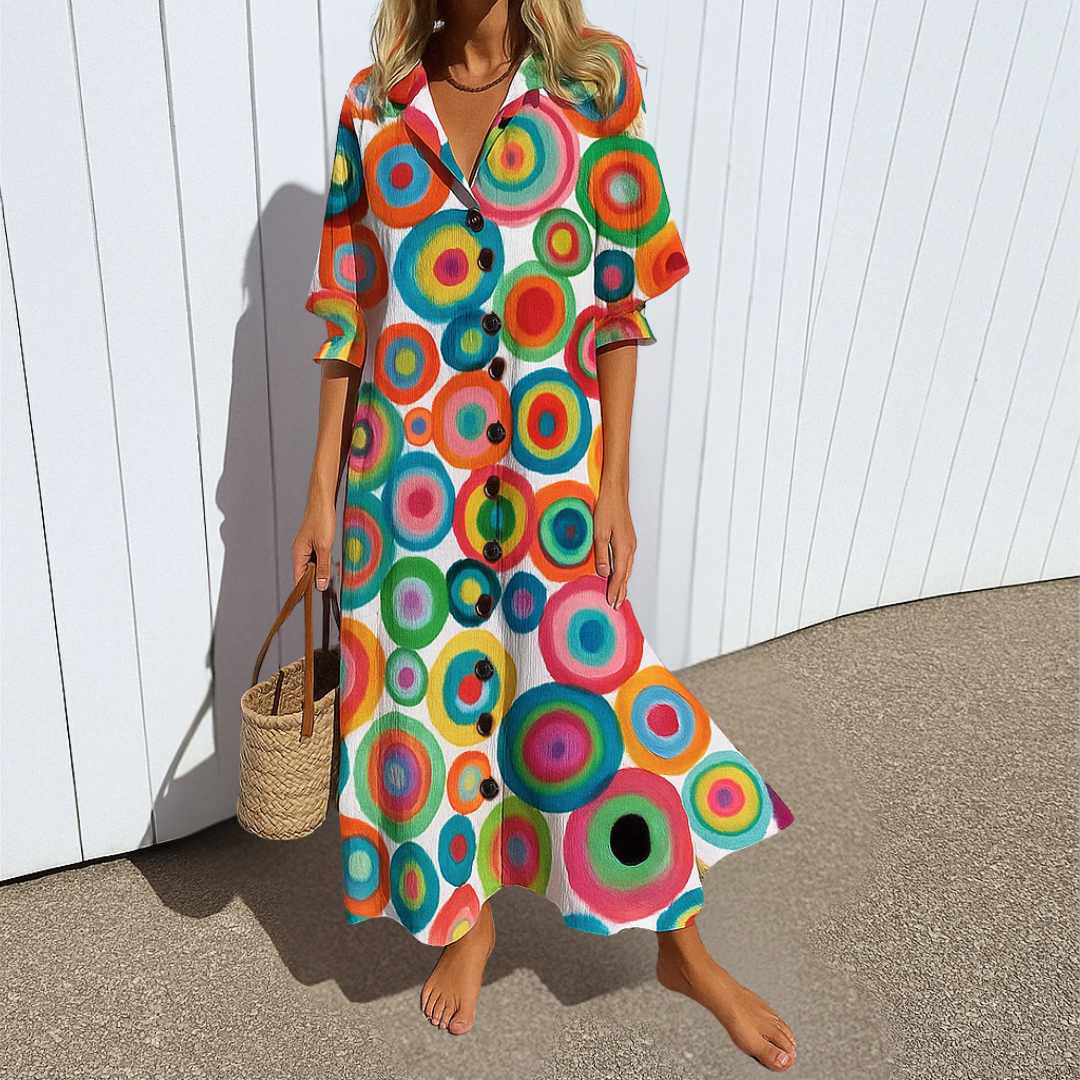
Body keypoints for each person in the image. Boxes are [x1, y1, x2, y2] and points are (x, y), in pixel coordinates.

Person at [292, 0, 797, 1070]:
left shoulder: (594, 86)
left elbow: (619, 298)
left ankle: (683, 951)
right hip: (408, 486)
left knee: (594, 695)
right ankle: (470, 928)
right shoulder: (374, 108)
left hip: (549, 469)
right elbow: (347, 309)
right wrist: (320, 492)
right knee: (438, 707)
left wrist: (614, 483)